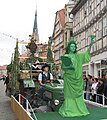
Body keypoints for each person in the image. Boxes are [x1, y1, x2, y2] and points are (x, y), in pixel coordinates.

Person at [59, 34, 95, 117]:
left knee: (78, 96)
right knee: (68, 95)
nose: (73, 48)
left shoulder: (78, 56)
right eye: (71, 46)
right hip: (69, 79)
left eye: (74, 46)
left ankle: (79, 109)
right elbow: (63, 67)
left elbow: (86, 53)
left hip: (77, 79)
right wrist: (67, 67)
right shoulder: (66, 56)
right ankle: (69, 109)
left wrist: (91, 44)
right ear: (68, 48)